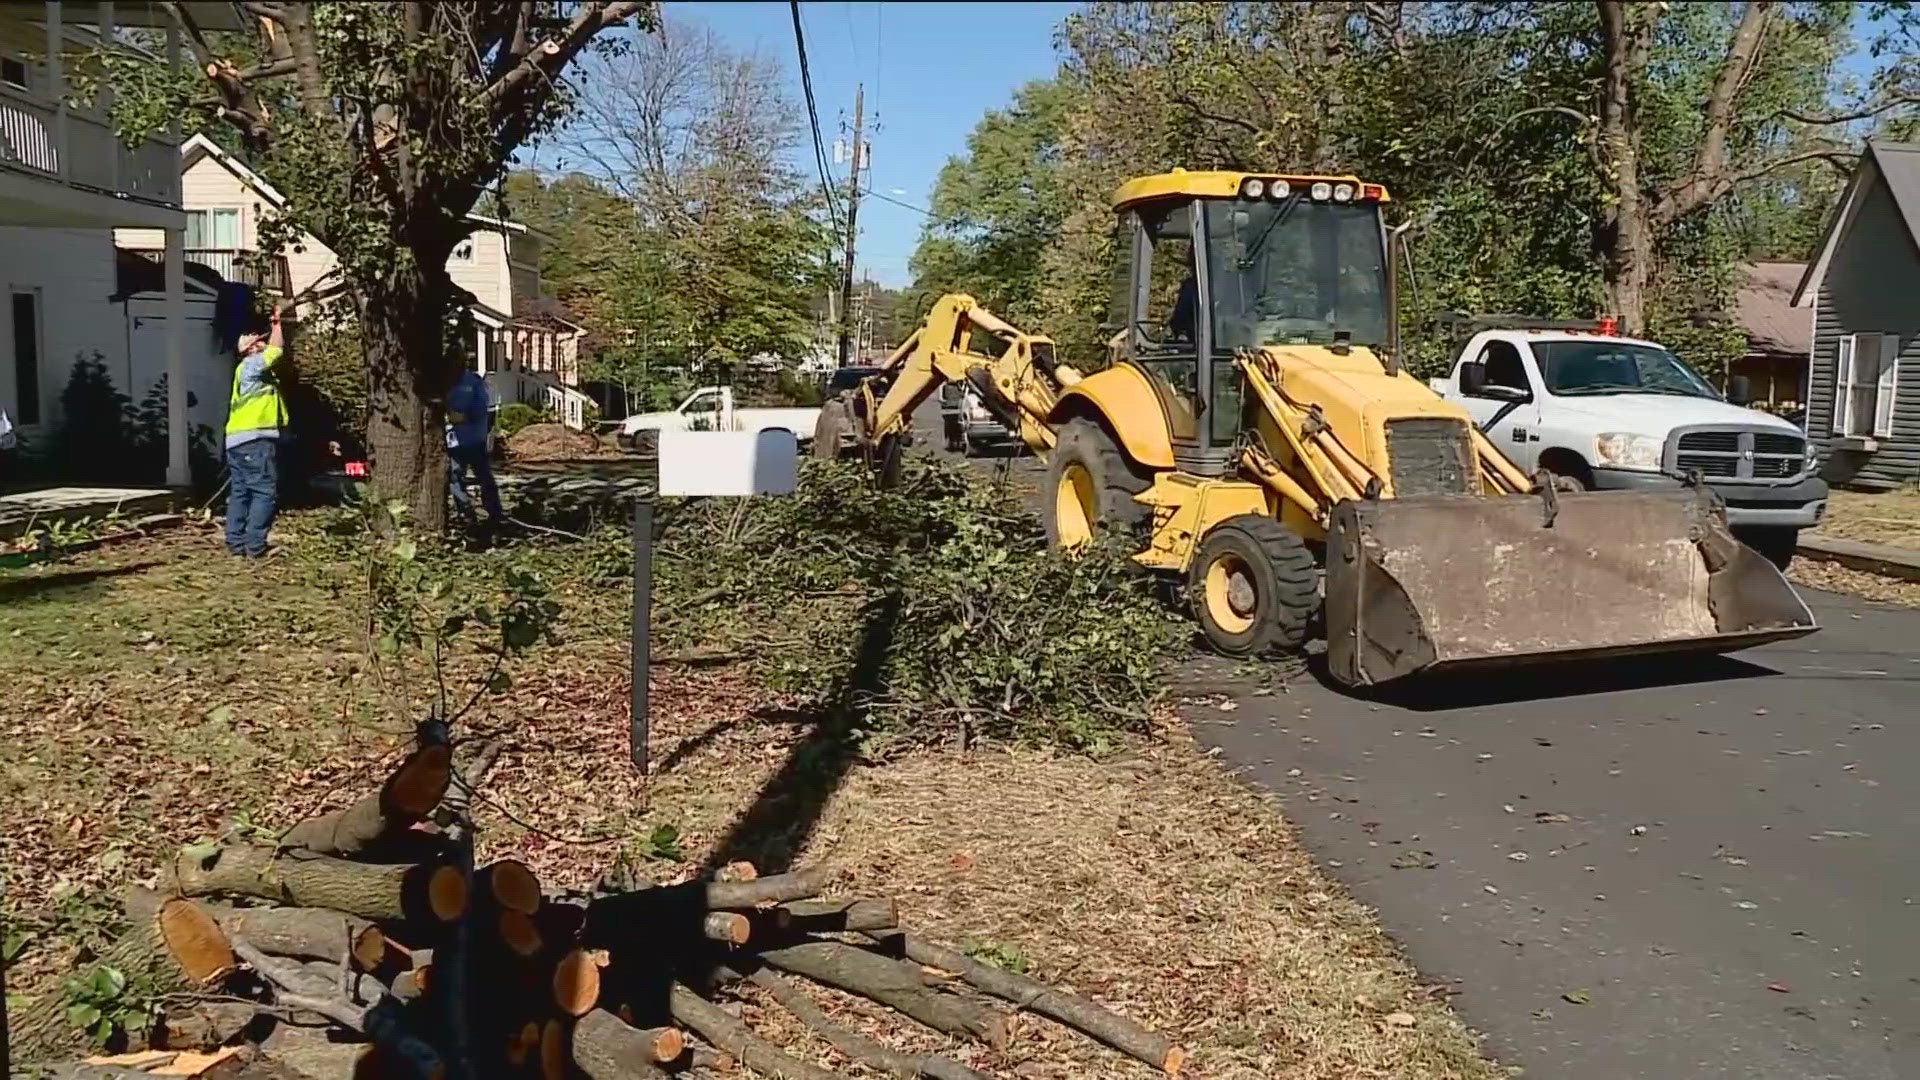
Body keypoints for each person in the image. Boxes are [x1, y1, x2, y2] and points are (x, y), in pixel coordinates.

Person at [224, 305, 287, 558]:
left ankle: (236, 544)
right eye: (259, 343)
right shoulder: (252, 366)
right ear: (250, 349)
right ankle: (255, 547)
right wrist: (277, 324)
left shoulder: (247, 371)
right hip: (254, 440)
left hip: (237, 440)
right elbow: (276, 350)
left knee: (241, 492)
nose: (263, 345)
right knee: (264, 492)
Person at [445, 365, 503, 527]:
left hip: (474, 439)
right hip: (453, 442)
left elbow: (483, 409)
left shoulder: (472, 382)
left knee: (484, 477)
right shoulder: (443, 381)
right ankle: (466, 514)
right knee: (455, 478)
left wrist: (464, 417)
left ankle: (495, 513)